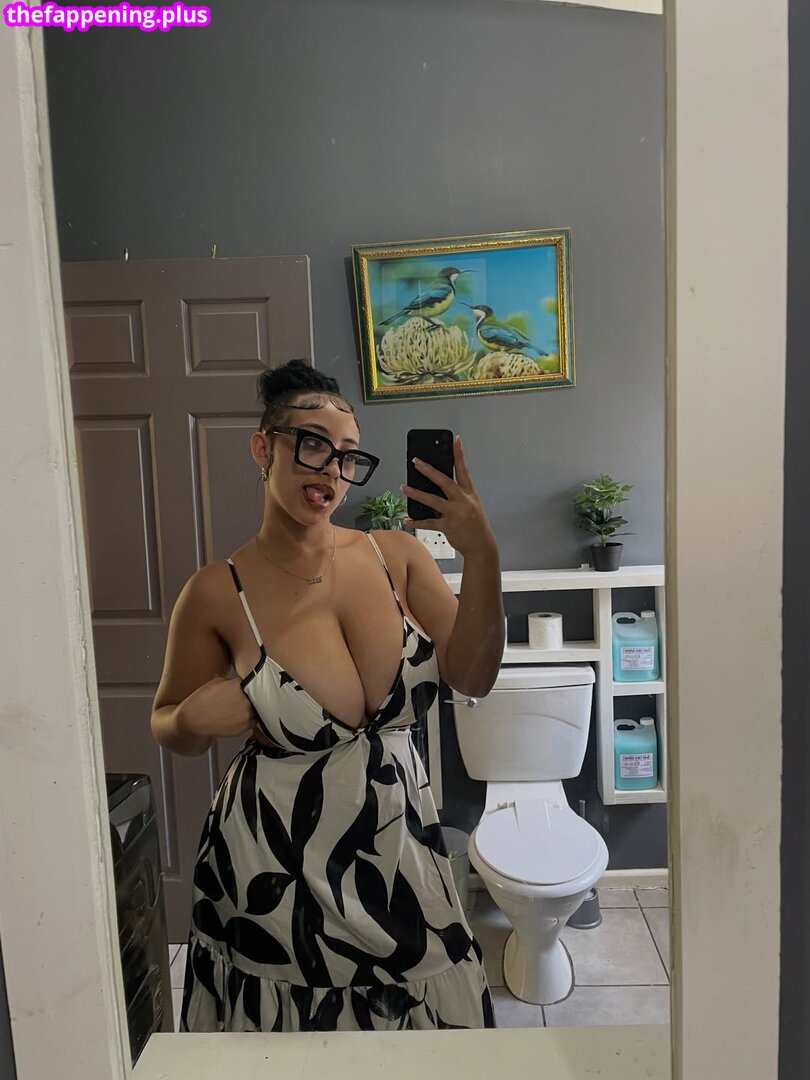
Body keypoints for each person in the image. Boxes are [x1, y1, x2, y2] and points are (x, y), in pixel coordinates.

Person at [151, 359, 505, 1032]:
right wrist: (191, 718)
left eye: (348, 456)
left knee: (430, 1015)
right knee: (289, 1040)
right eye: (313, 445)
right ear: (263, 447)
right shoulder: (216, 592)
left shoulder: (397, 557)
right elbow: (166, 721)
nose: (333, 471)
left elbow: (475, 676)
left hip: (401, 851)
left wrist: (484, 557)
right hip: (274, 867)